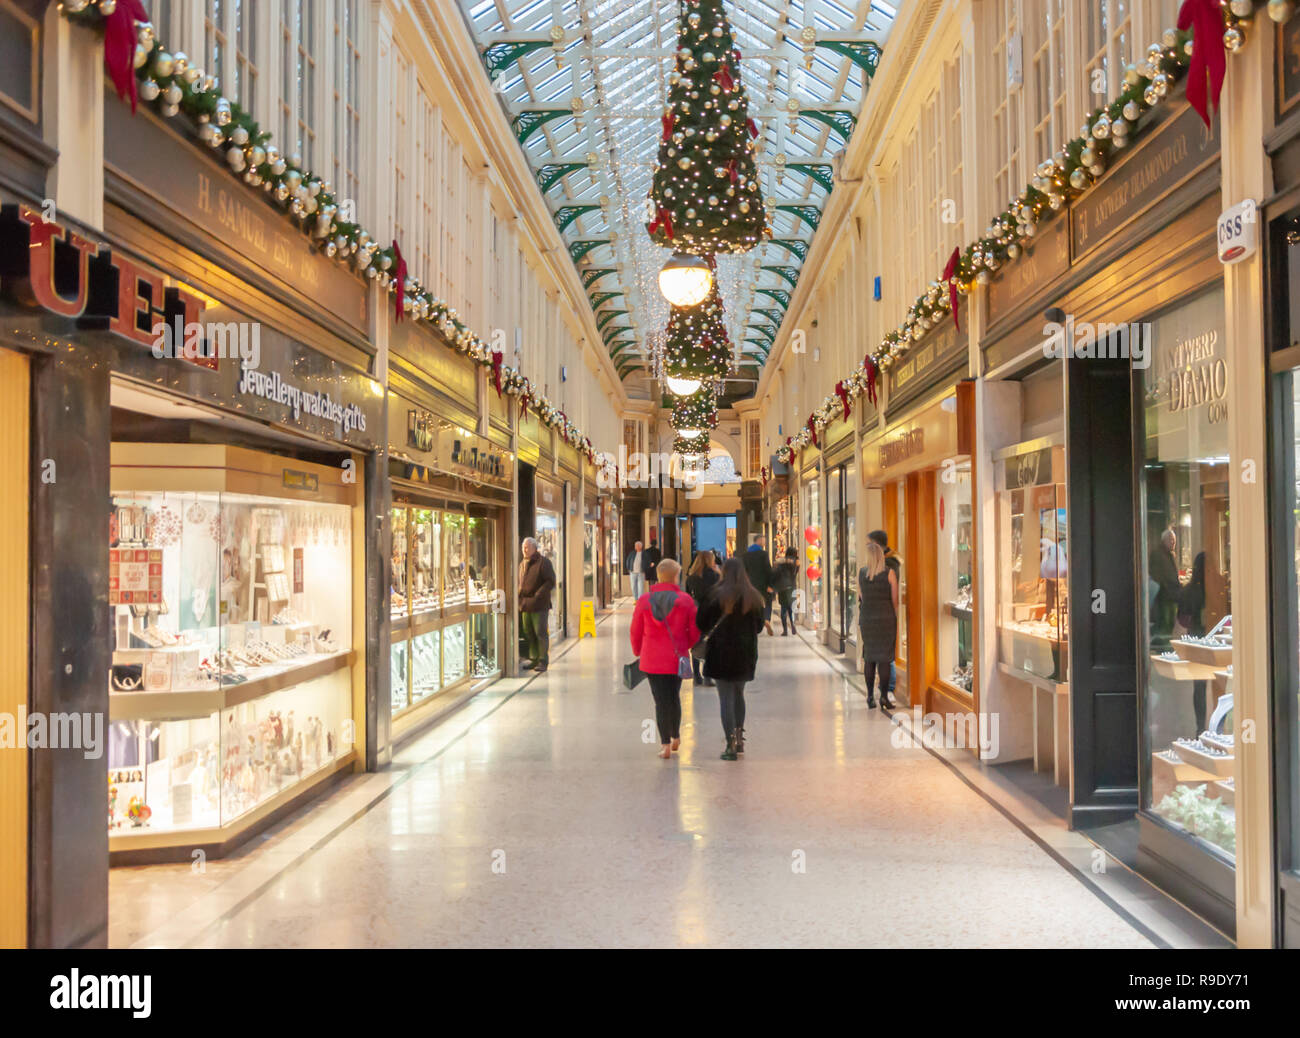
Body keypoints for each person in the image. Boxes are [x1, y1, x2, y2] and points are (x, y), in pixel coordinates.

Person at [696, 558, 766, 760]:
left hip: (720, 653)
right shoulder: (753, 596)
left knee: (725, 697)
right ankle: (739, 737)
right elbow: (759, 627)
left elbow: (701, 623)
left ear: (723, 572)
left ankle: (730, 745)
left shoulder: (714, 595)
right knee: (738, 694)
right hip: (745, 654)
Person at [629, 559, 699, 759]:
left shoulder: (644, 601)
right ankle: (676, 736)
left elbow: (635, 630)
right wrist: (687, 645)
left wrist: (637, 650)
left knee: (660, 701)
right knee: (674, 697)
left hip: (652, 659)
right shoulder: (685, 601)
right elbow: (694, 631)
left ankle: (665, 744)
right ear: (676, 576)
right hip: (676, 658)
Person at [858, 540, 899, 710]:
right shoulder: (889, 574)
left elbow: (861, 597)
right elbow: (894, 600)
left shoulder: (861, 573)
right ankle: (883, 697)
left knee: (869, 657)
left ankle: (869, 697)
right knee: (884, 659)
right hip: (886, 619)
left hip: (867, 618)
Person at [868, 530, 902, 699]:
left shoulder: (890, 564)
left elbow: (891, 592)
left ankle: (889, 687)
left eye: (870, 544)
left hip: (885, 612)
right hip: (877, 612)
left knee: (886, 652)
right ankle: (884, 686)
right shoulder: (883, 562)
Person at [1180, 551, 1209, 733]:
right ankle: (1214, 728)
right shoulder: (1214, 589)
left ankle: (1201, 727)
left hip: (1196, 638)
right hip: (1209, 636)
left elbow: (1182, 618)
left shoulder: (1190, 590)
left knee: (1199, 687)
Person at [518, 536, 556, 673]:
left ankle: (542, 660)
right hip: (525, 605)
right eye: (523, 547)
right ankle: (534, 657)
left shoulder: (543, 563)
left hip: (539, 605)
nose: (524, 550)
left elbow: (550, 581)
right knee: (529, 632)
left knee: (540, 632)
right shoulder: (522, 564)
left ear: (534, 548)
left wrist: (538, 595)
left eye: (527, 547)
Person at [685, 550, 720, 685]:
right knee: (710, 642)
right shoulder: (714, 576)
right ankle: (707, 675)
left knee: (696, 642)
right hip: (711, 613)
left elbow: (688, 595)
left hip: (696, 612)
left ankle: (696, 675)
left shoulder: (691, 577)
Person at [1149, 527, 1181, 644]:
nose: (1173, 542)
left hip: (1172, 594)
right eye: (1170, 540)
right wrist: (1166, 587)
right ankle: (1161, 644)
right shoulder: (1158, 554)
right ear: (1164, 540)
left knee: (1170, 621)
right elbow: (1157, 574)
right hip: (1165, 594)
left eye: (1174, 540)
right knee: (1164, 621)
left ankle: (1165, 644)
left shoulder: (1169, 554)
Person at [742, 533, 775, 636]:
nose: (765, 542)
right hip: (763, 585)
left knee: (754, 604)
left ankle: (755, 623)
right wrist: (771, 585)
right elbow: (768, 570)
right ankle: (766, 619)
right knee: (767, 602)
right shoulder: (763, 554)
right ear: (759, 540)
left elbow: (744, 571)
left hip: (751, 585)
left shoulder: (745, 555)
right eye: (764, 540)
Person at [772, 546, 799, 635]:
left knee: (783, 609)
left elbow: (776, 570)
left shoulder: (782, 562)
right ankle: (793, 624)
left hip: (782, 588)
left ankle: (785, 630)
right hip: (792, 587)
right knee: (791, 608)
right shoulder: (796, 563)